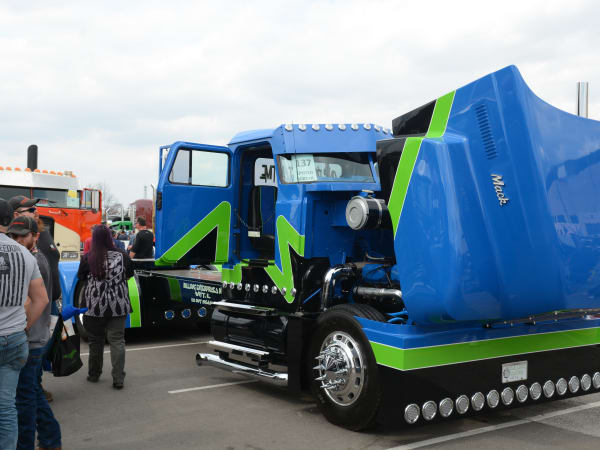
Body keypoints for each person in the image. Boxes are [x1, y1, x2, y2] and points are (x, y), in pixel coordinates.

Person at [8, 216, 62, 450]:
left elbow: (33, 301)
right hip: (34, 337)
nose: (18, 240)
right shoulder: (30, 258)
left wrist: (21, 328)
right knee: (30, 392)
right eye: (14, 236)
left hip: (31, 339)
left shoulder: (34, 260)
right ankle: (51, 439)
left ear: (36, 237)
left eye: (23, 236)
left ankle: (38, 442)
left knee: (25, 398)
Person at [0, 199, 49, 450]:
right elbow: (41, 299)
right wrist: (25, 325)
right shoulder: (26, 255)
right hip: (16, 339)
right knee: (7, 406)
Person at [10, 195, 61, 403]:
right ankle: (34, 390)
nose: (36, 211)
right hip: (35, 305)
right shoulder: (18, 243)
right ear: (16, 215)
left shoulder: (43, 232)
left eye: (35, 208)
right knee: (34, 350)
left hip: (49, 303)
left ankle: (35, 386)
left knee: (42, 349)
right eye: (30, 210)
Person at [77, 225, 134, 389]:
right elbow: (129, 274)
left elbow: (81, 277)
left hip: (94, 307)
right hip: (118, 305)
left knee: (96, 341)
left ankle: (94, 374)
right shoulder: (122, 255)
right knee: (117, 340)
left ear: (94, 239)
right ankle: (118, 378)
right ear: (110, 237)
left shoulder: (88, 257)